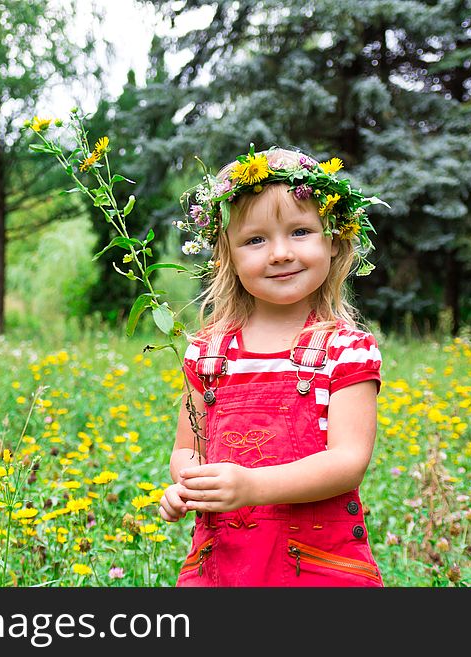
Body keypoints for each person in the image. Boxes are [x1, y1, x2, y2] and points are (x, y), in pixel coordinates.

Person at [158, 145, 388, 586]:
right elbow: (189, 449)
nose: (280, 253)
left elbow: (348, 461)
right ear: (227, 255)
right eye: (255, 239)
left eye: (300, 231)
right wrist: (188, 485)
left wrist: (252, 487)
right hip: (223, 563)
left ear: (334, 239)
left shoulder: (346, 350)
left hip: (316, 567)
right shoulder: (207, 352)